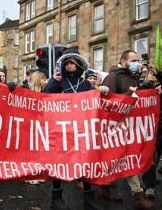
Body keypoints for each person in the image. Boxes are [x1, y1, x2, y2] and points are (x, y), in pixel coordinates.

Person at [45, 49, 105, 210]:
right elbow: (46, 98)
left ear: (78, 64)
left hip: (81, 129)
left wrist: (100, 91)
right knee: (59, 162)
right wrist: (53, 81)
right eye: (67, 63)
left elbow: (94, 103)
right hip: (62, 129)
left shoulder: (85, 83)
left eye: (73, 62)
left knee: (84, 162)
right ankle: (56, 198)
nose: (70, 65)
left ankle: (89, 197)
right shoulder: (58, 81)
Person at [100, 50, 160, 210]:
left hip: (130, 126)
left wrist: (151, 92)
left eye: (137, 60)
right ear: (123, 61)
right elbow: (108, 103)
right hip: (115, 127)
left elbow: (137, 98)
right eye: (133, 60)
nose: (137, 63)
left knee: (125, 158)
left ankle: (109, 186)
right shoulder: (113, 77)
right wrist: (129, 94)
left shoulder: (133, 77)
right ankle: (136, 195)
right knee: (122, 158)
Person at [140, 65, 162, 198]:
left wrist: (157, 72)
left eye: (153, 74)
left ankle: (149, 179)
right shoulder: (143, 89)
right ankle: (149, 186)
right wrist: (147, 84)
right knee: (152, 159)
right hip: (149, 132)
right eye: (150, 74)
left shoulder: (161, 91)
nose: (152, 76)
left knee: (157, 158)